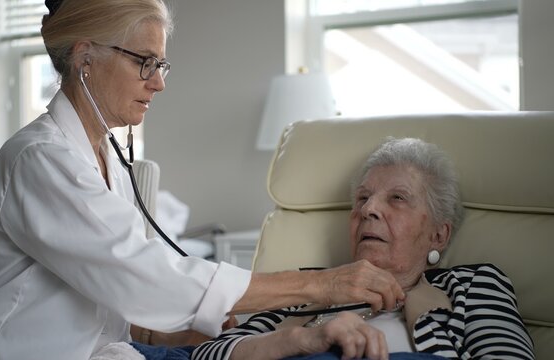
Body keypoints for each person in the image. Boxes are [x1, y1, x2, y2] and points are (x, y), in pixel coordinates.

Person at [0, 1, 406, 359]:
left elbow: (122, 306)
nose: (159, 83)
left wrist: (223, 335)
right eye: (145, 62)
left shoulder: (104, 155)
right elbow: (144, 276)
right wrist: (323, 285)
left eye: (161, 65)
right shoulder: (39, 160)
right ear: (86, 58)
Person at [192, 138, 535, 360]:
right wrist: (300, 340)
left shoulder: (472, 286)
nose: (368, 209)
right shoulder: (307, 290)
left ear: (438, 235)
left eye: (397, 198)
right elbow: (207, 355)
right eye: (362, 198)